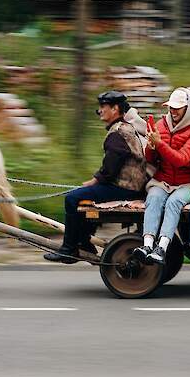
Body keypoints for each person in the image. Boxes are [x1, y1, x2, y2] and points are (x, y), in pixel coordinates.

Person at [44, 91, 147, 263]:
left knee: (72, 198)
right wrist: (96, 182)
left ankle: (69, 249)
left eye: (102, 107)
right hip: (131, 186)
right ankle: (84, 243)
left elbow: (110, 168)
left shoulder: (118, 132)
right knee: (85, 196)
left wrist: (95, 180)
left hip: (125, 188)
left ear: (115, 109)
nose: (99, 111)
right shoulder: (126, 128)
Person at [133, 88, 190, 265]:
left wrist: (160, 143)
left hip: (186, 183)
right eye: (171, 107)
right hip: (162, 179)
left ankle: (162, 248)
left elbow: (182, 159)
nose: (173, 111)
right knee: (154, 198)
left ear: (188, 108)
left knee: (174, 203)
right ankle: (147, 245)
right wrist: (150, 146)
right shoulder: (160, 124)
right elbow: (150, 158)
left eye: (178, 107)